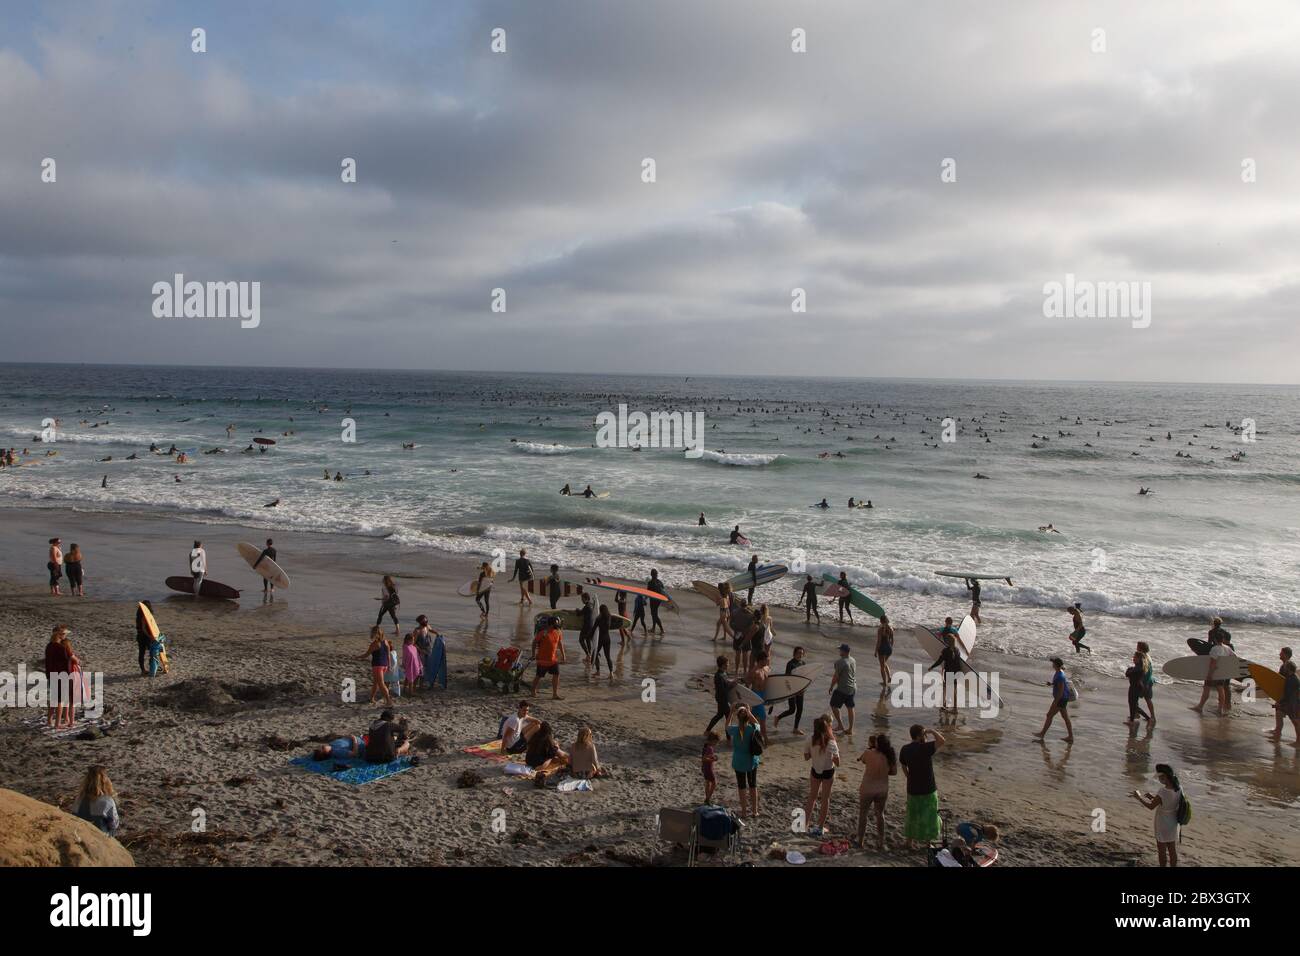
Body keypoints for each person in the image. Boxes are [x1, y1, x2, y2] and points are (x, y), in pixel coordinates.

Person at [899, 724, 945, 849]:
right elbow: (942, 741)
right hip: (928, 788)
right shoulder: (925, 748)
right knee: (930, 815)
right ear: (921, 735)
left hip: (913, 788)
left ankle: (909, 842)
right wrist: (931, 731)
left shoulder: (905, 749)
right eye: (924, 734)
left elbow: (903, 765)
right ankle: (928, 843)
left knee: (912, 815)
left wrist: (908, 777)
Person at [1132, 763, 1184, 867]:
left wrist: (1139, 798)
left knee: (1162, 849)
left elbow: (1151, 807)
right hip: (1173, 821)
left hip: (1162, 822)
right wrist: (1153, 798)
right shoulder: (1179, 788)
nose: (1159, 779)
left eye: (1160, 777)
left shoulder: (1163, 791)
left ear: (1164, 777)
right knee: (1172, 849)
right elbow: (1168, 803)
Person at [856, 733, 897, 851]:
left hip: (867, 787)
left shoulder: (869, 753)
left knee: (863, 814)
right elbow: (894, 772)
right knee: (880, 815)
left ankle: (860, 841)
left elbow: (863, 761)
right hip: (882, 788)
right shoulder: (889, 756)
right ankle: (880, 841)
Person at [803, 714, 840, 836]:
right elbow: (837, 762)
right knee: (825, 799)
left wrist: (815, 753)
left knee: (812, 798)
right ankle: (819, 827)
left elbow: (806, 757)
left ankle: (805, 824)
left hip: (815, 770)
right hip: (828, 771)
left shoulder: (810, 739)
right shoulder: (831, 742)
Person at [726, 704, 762, 819]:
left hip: (739, 762)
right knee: (753, 785)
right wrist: (749, 711)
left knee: (742, 787)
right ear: (747, 717)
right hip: (752, 761)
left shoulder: (735, 730)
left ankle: (744, 812)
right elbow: (758, 723)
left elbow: (726, 726)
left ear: (738, 718)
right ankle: (755, 811)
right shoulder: (753, 728)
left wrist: (731, 712)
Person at [1193, 630, 1234, 715]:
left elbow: (1213, 663)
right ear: (1222, 639)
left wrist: (1209, 674)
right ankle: (1220, 709)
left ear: (1215, 640)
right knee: (1221, 689)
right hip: (1222, 673)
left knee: (1206, 689)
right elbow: (1234, 658)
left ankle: (1200, 707)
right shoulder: (1227, 648)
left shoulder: (1214, 649)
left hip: (1214, 672)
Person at [72, 766, 120, 837]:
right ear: (105, 781)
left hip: (81, 833)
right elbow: (114, 825)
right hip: (100, 836)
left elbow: (73, 816)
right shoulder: (107, 801)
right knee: (111, 825)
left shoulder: (79, 798)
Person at [1034, 657, 1075, 741]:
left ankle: (1042, 734)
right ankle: (1070, 737)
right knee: (1065, 718)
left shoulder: (1060, 675)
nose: (1052, 664)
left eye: (1053, 663)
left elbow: (1060, 690)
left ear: (1056, 665)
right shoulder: (1059, 672)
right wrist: (1051, 684)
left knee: (1049, 715)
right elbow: (1059, 685)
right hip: (1062, 699)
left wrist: (1055, 702)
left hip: (1060, 699)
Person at [773, 646, 808, 736]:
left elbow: (805, 677)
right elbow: (787, 678)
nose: (800, 654)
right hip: (791, 690)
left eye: (802, 653)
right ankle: (778, 717)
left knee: (800, 709)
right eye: (798, 653)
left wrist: (804, 688)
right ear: (794, 653)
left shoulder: (803, 663)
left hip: (800, 690)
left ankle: (795, 728)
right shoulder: (790, 664)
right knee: (792, 709)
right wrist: (791, 690)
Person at [530, 616, 566, 700]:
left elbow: (560, 643)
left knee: (556, 675)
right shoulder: (543, 633)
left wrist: (563, 655)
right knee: (539, 676)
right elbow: (534, 642)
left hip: (553, 659)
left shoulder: (558, 632)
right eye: (556, 623)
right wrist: (533, 654)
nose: (558, 624)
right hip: (543, 660)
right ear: (551, 624)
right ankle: (533, 691)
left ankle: (555, 694)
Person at [45, 625, 73, 729]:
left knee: (54, 699)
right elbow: (67, 662)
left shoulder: (49, 646)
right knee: (60, 700)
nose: (65, 635)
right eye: (64, 634)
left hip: (51, 674)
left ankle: (49, 721)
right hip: (62, 675)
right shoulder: (60, 647)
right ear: (59, 635)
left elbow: (47, 662)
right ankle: (57, 724)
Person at [928, 632, 964, 711]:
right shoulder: (957, 650)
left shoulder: (945, 650)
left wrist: (932, 667)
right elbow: (958, 662)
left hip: (949, 672)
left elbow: (939, 661)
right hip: (956, 672)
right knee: (953, 690)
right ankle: (954, 707)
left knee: (946, 689)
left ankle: (946, 706)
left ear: (947, 641)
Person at [1267, 660, 1299, 742]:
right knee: (1279, 714)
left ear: (1288, 668)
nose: (1284, 668)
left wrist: (1279, 703)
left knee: (1295, 722)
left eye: (1285, 667)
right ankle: (1277, 734)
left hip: (1292, 704)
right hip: (1291, 703)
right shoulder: (1292, 677)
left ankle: (1298, 740)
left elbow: (1288, 695)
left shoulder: (1291, 680)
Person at [829, 643, 857, 735]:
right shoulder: (853, 660)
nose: (839, 651)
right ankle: (850, 729)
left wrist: (831, 686)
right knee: (850, 707)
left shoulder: (840, 662)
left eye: (840, 650)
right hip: (852, 687)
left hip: (842, 688)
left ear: (844, 651)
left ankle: (840, 725)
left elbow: (836, 676)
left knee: (833, 705)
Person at [361, 626, 392, 706]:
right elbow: (388, 655)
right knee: (376, 682)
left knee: (381, 684)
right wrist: (389, 665)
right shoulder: (386, 642)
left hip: (377, 666)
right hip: (384, 665)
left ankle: (388, 701)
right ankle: (371, 698)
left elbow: (366, 655)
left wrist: (357, 657)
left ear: (375, 634)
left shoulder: (375, 644)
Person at [706, 656, 734, 735]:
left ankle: (707, 731)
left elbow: (726, 683)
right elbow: (723, 690)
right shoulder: (718, 676)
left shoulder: (724, 673)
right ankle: (728, 739)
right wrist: (732, 685)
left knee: (719, 715)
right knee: (728, 717)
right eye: (727, 663)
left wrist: (732, 682)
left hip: (723, 698)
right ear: (723, 665)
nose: (728, 665)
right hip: (722, 699)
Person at [748, 651, 772, 743]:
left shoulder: (766, 668)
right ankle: (765, 738)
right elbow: (746, 682)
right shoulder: (755, 671)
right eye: (766, 660)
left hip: (762, 696)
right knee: (762, 717)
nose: (767, 661)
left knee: (753, 717)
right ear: (761, 660)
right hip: (756, 695)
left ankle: (746, 733)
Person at [1125, 650, 1152, 725]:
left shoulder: (1138, 668)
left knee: (1133, 704)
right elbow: (1129, 673)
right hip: (1137, 687)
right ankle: (1146, 718)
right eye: (1133, 657)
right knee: (1134, 705)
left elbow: (1127, 674)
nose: (1133, 658)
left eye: (1135, 657)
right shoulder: (1139, 667)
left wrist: (1129, 670)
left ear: (1139, 659)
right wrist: (1130, 670)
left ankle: (1132, 721)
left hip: (1135, 687)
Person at [592, 604, 616, 677]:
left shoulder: (599, 618)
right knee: (608, 656)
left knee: (594, 654)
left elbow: (593, 629)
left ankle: (598, 671)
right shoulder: (609, 617)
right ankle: (611, 673)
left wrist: (588, 636)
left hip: (600, 639)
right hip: (607, 639)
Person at [1137, 641, 1157, 724]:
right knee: (1147, 699)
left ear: (1140, 648)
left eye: (1137, 646)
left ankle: (1137, 714)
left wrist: (1139, 681)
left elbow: (1142, 671)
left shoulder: (1142, 657)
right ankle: (1152, 716)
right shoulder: (1148, 656)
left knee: (1136, 698)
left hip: (1144, 682)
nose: (1136, 648)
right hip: (1149, 680)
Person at [134, 600, 154, 676]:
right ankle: (152, 669)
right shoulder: (144, 616)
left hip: (139, 636)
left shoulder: (138, 616)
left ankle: (143, 670)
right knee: (153, 652)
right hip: (145, 637)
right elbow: (144, 629)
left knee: (141, 653)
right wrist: (150, 636)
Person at [646, 570, 667, 635]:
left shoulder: (650, 583)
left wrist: (644, 599)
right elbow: (663, 591)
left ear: (651, 574)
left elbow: (648, 592)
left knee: (654, 615)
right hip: (658, 601)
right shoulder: (660, 582)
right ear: (656, 574)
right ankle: (653, 628)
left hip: (653, 601)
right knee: (654, 614)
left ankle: (662, 629)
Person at [576, 592, 596, 664]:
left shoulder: (586, 606)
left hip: (586, 626)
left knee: (581, 640)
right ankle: (589, 656)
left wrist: (577, 610)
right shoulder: (591, 605)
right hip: (591, 626)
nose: (582, 600)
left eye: (582, 599)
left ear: (586, 599)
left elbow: (579, 614)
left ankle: (588, 654)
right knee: (587, 640)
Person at [702, 731, 721, 804]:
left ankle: (707, 798)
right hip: (708, 768)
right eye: (716, 742)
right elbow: (704, 758)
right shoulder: (710, 748)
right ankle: (708, 798)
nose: (716, 744)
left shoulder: (705, 746)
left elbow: (705, 757)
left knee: (708, 783)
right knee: (714, 783)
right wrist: (713, 759)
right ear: (713, 741)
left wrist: (712, 757)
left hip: (704, 767)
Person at [875, 615, 894, 685]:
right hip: (889, 648)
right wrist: (890, 647)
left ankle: (884, 682)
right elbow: (892, 640)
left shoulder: (880, 629)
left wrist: (876, 651)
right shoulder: (891, 628)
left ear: (880, 621)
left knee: (882, 666)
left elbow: (879, 641)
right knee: (884, 663)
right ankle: (889, 678)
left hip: (882, 648)